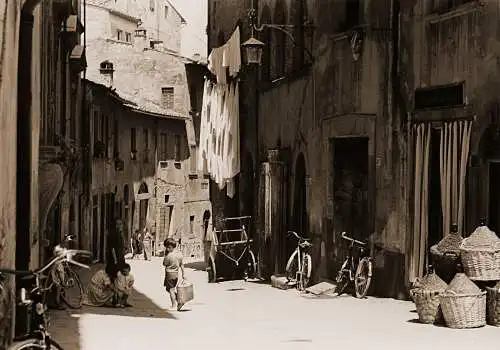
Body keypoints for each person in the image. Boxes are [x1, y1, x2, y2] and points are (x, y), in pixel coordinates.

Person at [163, 238, 185, 311]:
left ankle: (174, 305)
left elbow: (164, 263)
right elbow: (182, 264)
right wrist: (183, 274)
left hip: (169, 274)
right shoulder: (179, 255)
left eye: (166, 247)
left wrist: (165, 255)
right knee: (169, 289)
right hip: (176, 274)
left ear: (169, 247)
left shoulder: (169, 256)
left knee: (171, 290)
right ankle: (180, 300)